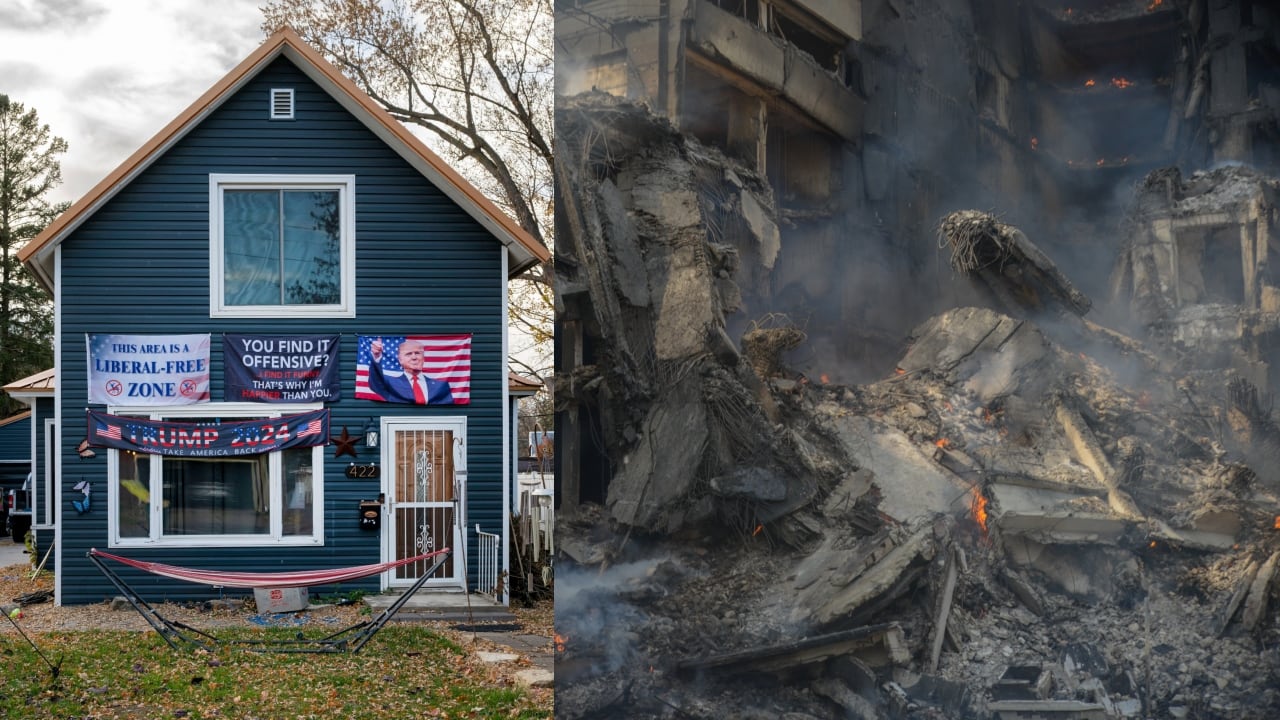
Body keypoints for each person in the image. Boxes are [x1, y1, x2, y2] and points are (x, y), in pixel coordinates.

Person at [367, 337, 455, 404]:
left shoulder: (440, 386)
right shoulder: (391, 383)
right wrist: (377, 356)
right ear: (400, 360)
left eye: (417, 353)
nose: (414, 357)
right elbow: (376, 381)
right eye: (408, 354)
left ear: (423, 358)